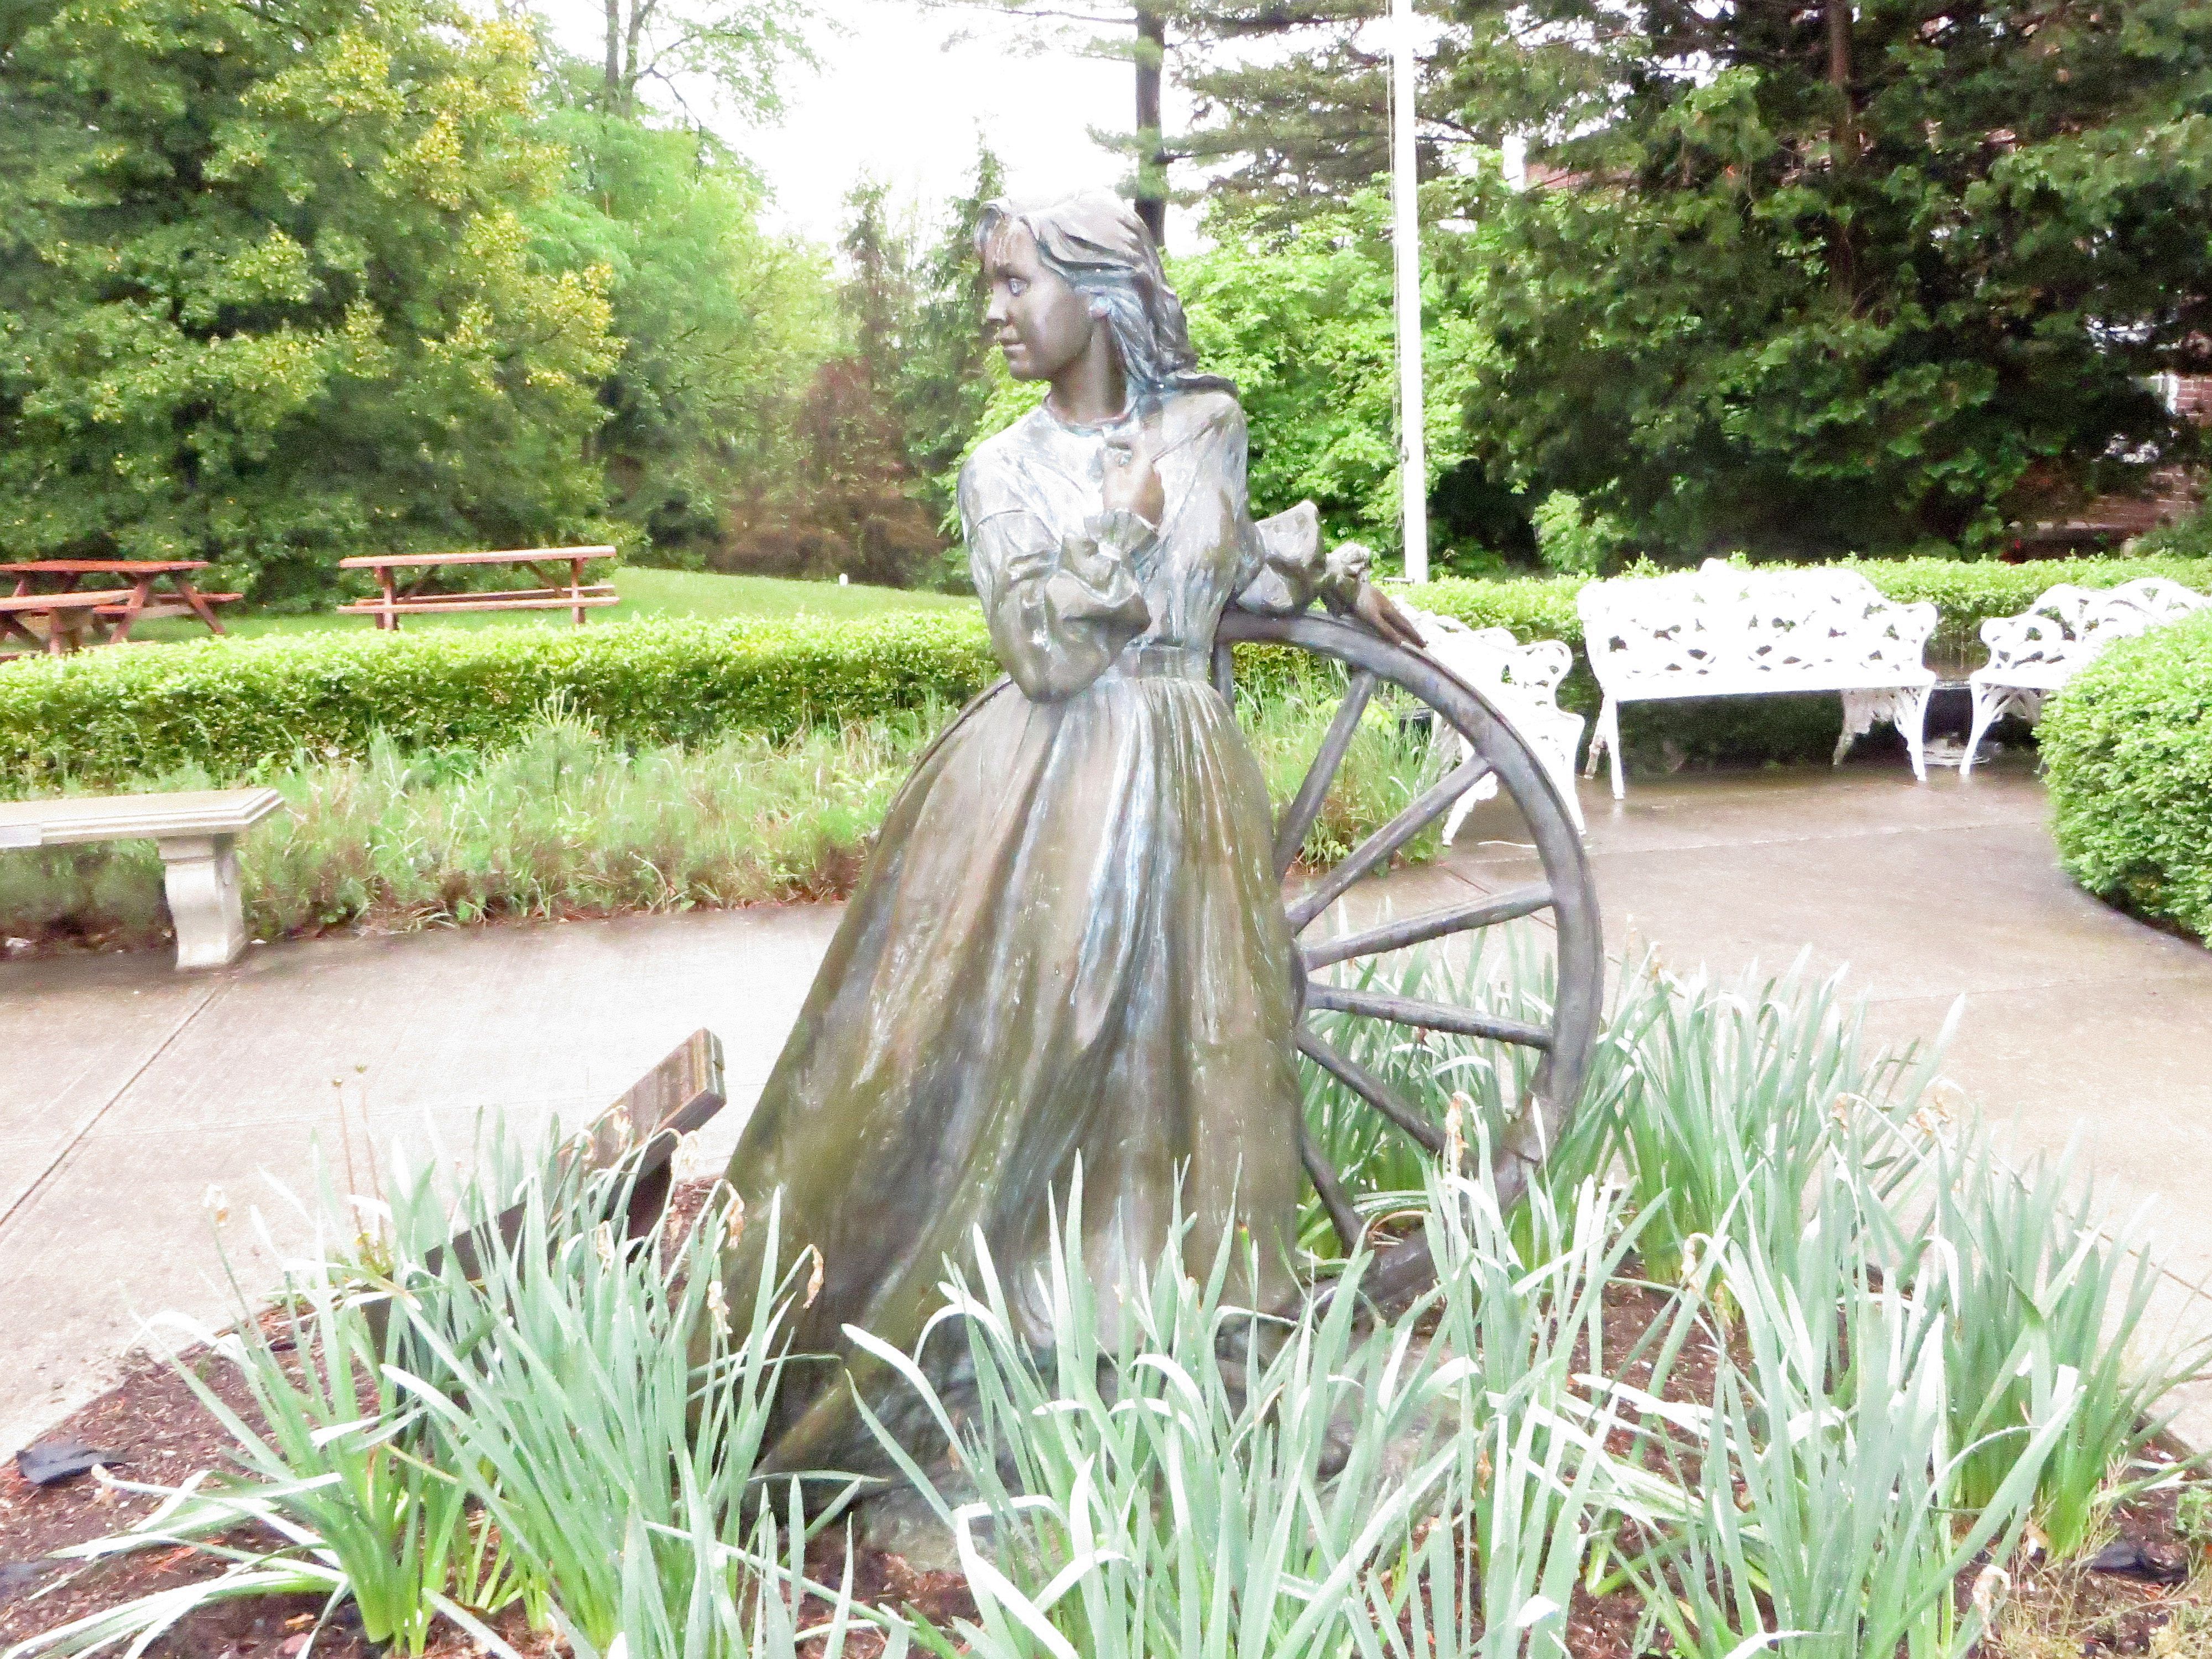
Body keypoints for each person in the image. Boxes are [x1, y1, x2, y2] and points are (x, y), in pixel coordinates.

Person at [716, 191, 1417, 1479]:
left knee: (1213, 1047)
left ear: (1099, 294)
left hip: (1190, 771)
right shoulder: (1000, 470)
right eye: (987, 286)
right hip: (1057, 791)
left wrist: (1333, 577)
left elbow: (1221, 567)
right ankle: (1033, 1342)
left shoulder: (1205, 425)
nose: (993, 314)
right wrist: (1126, 522)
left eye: (1014, 284)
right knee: (1052, 1045)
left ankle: (1199, 1346)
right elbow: (1038, 650)